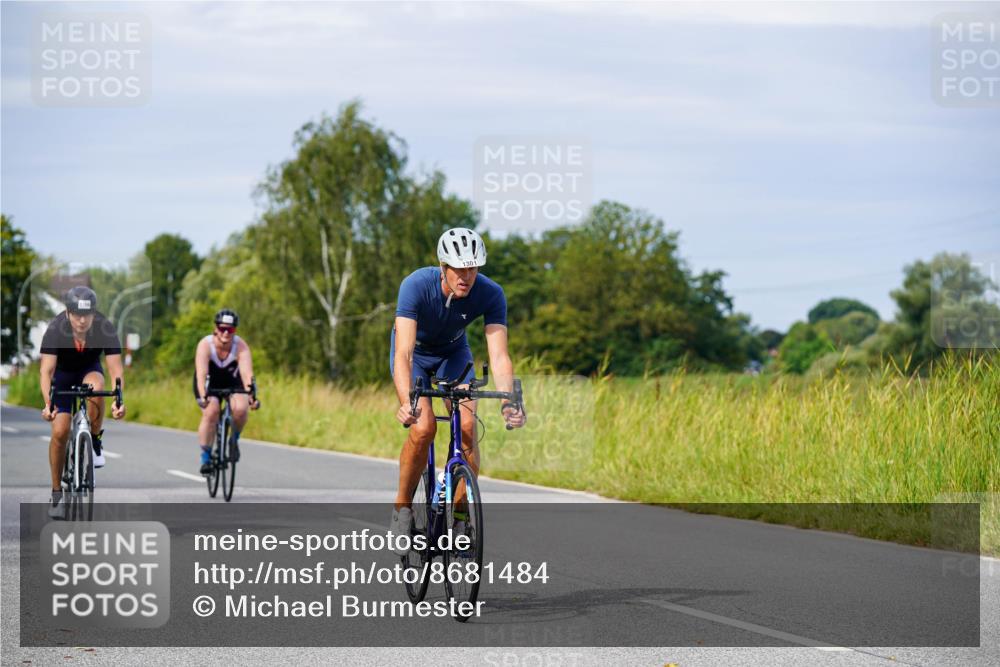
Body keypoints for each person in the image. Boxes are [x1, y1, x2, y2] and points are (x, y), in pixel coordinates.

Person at [389, 228, 526, 554]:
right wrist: (407, 401)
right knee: (424, 428)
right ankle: (402, 508)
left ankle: (461, 516)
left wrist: (508, 401)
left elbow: (499, 355)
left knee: (466, 428)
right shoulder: (415, 285)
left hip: (454, 355)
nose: (466, 277)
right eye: (459, 269)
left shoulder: (491, 293)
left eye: (473, 268)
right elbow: (403, 353)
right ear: (443, 266)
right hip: (416, 356)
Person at [40, 286, 126, 517]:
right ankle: (56, 493)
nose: (81, 320)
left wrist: (119, 400)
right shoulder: (55, 329)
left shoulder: (104, 327)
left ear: (93, 314)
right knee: (60, 431)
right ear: (68, 313)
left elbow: (115, 370)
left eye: (86, 314)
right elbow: (46, 371)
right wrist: (48, 404)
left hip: (89, 370)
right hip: (62, 376)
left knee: (97, 387)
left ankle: (94, 441)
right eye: (77, 314)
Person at [193, 309, 259, 474]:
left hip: (232, 380)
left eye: (230, 329)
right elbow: (201, 374)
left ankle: (233, 440)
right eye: (222, 328)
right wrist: (203, 396)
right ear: (215, 328)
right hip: (209, 381)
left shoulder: (240, 346)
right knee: (212, 411)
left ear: (234, 330)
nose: (226, 333)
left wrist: (252, 397)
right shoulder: (205, 345)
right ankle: (206, 457)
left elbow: (247, 374)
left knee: (241, 409)